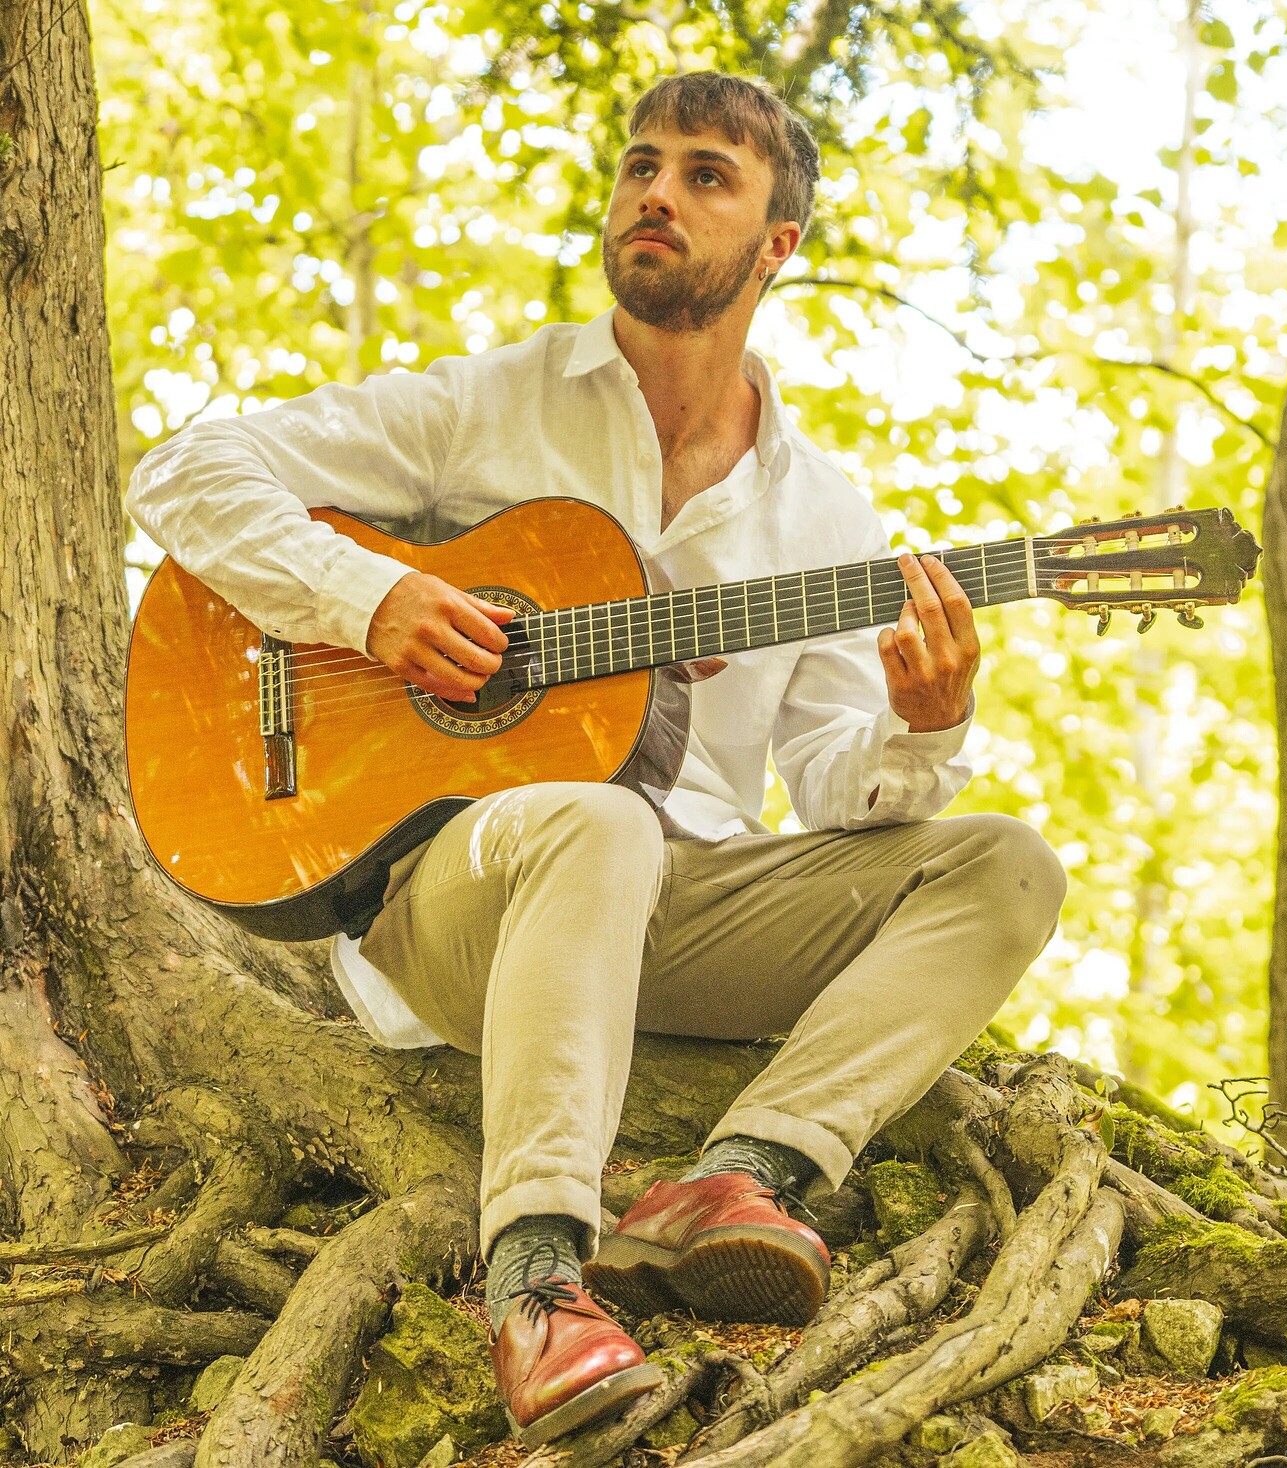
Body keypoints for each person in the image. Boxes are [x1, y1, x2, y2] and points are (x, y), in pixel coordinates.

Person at [125, 71, 1068, 1447]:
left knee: (1005, 864)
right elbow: (187, 472)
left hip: (681, 911)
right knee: (595, 819)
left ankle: (747, 1175)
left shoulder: (824, 516)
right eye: (644, 163)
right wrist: (372, 602)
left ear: (777, 242)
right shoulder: (493, 405)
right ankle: (538, 1282)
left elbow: (834, 791)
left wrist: (925, 725)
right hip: (458, 903)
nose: (657, 193)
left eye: (705, 176)